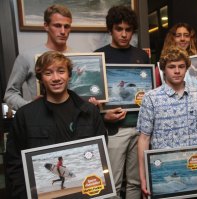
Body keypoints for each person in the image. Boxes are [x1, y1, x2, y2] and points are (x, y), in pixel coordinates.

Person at [5, 51, 107, 199]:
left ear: (69, 75)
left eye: (61, 71)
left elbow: (100, 155)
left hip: (83, 192)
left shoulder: (89, 111)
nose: (56, 78)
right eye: (48, 73)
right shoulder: (25, 116)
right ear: (40, 78)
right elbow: (14, 164)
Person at [137, 46, 197, 197]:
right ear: (163, 69)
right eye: (171, 67)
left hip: (195, 168)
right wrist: (143, 175)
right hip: (164, 171)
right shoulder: (151, 98)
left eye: (181, 66)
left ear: (187, 68)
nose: (177, 71)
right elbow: (144, 138)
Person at [93, 5, 149, 199]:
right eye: (119, 29)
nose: (124, 34)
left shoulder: (142, 55)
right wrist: (103, 114)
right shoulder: (98, 56)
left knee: (135, 182)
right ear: (111, 29)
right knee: (112, 183)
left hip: (140, 129)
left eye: (128, 29)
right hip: (114, 130)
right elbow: (92, 98)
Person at [4, 4, 73, 111]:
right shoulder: (27, 56)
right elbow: (10, 94)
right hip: (42, 122)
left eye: (67, 26)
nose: (63, 31)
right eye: (57, 26)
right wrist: (30, 108)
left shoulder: (80, 55)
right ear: (46, 26)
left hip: (75, 120)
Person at [156, 23, 197, 87]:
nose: (182, 39)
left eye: (186, 35)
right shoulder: (163, 64)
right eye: (178, 36)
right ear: (172, 39)